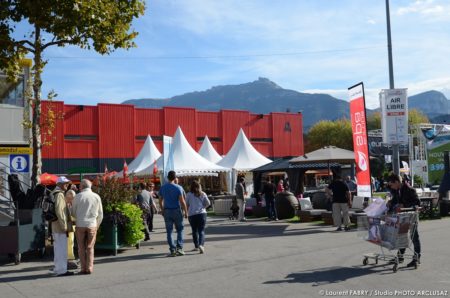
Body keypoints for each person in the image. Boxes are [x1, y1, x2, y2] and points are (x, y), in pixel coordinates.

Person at [387, 173, 421, 268]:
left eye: (392, 184)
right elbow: (396, 200)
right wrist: (390, 202)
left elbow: (417, 202)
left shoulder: (410, 189)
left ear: (397, 182)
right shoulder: (397, 190)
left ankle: (416, 258)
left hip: (411, 216)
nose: (391, 186)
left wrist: (404, 205)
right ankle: (400, 257)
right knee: (402, 236)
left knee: (414, 237)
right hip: (402, 216)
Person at [72, 179, 103, 274]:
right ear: (90, 186)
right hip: (92, 224)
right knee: (90, 247)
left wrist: (78, 219)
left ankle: (83, 268)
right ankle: (89, 268)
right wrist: (97, 225)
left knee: (81, 248)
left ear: (81, 186)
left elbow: (73, 213)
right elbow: (100, 214)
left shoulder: (77, 197)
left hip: (80, 224)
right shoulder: (96, 196)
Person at [159, 171, 188, 257]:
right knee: (180, 230)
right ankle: (179, 248)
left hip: (167, 211)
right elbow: (182, 201)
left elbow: (160, 200)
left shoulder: (163, 188)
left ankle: (172, 250)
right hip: (176, 210)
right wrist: (186, 212)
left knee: (169, 231)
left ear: (167, 177)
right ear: (175, 178)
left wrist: (162, 209)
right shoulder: (179, 188)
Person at [50, 176, 74, 276]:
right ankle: (61, 270)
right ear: (59, 184)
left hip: (55, 225)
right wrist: (64, 226)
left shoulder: (54, 193)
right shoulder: (59, 195)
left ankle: (57, 268)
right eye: (65, 183)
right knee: (61, 248)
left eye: (67, 183)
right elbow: (60, 212)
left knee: (57, 248)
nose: (67, 185)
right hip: (60, 226)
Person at [185, 180, 210, 254]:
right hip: (202, 214)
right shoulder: (203, 194)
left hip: (192, 215)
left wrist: (186, 212)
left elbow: (186, 204)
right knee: (201, 230)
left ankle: (196, 246)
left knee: (194, 231)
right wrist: (203, 207)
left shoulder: (189, 194)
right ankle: (201, 245)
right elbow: (208, 203)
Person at [65, 189, 78, 270]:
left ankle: (70, 258)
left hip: (72, 226)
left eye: (73, 198)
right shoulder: (66, 204)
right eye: (71, 198)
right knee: (68, 243)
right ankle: (69, 259)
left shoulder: (72, 204)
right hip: (67, 226)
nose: (72, 199)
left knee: (71, 243)